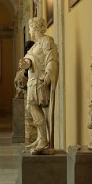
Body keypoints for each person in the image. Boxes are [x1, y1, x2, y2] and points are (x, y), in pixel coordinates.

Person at [19, 17, 58, 154]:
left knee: (35, 107)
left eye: (30, 27)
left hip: (40, 82)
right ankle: (42, 137)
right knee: (31, 106)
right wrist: (25, 64)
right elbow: (31, 60)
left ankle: (44, 140)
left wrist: (48, 77)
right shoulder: (35, 45)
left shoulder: (47, 41)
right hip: (32, 81)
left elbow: (52, 59)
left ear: (35, 28)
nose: (29, 30)